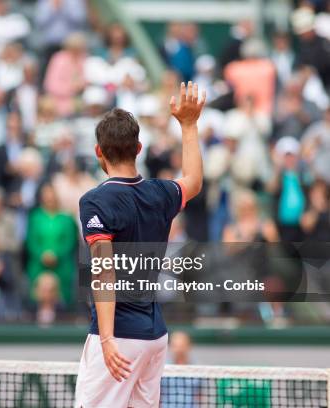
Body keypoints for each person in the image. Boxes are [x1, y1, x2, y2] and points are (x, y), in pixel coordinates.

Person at [74, 82, 205, 407]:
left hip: (119, 336)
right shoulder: (161, 193)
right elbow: (195, 181)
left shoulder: (95, 201)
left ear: (98, 152)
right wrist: (189, 126)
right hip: (155, 336)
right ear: (139, 148)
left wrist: (106, 339)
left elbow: (104, 273)